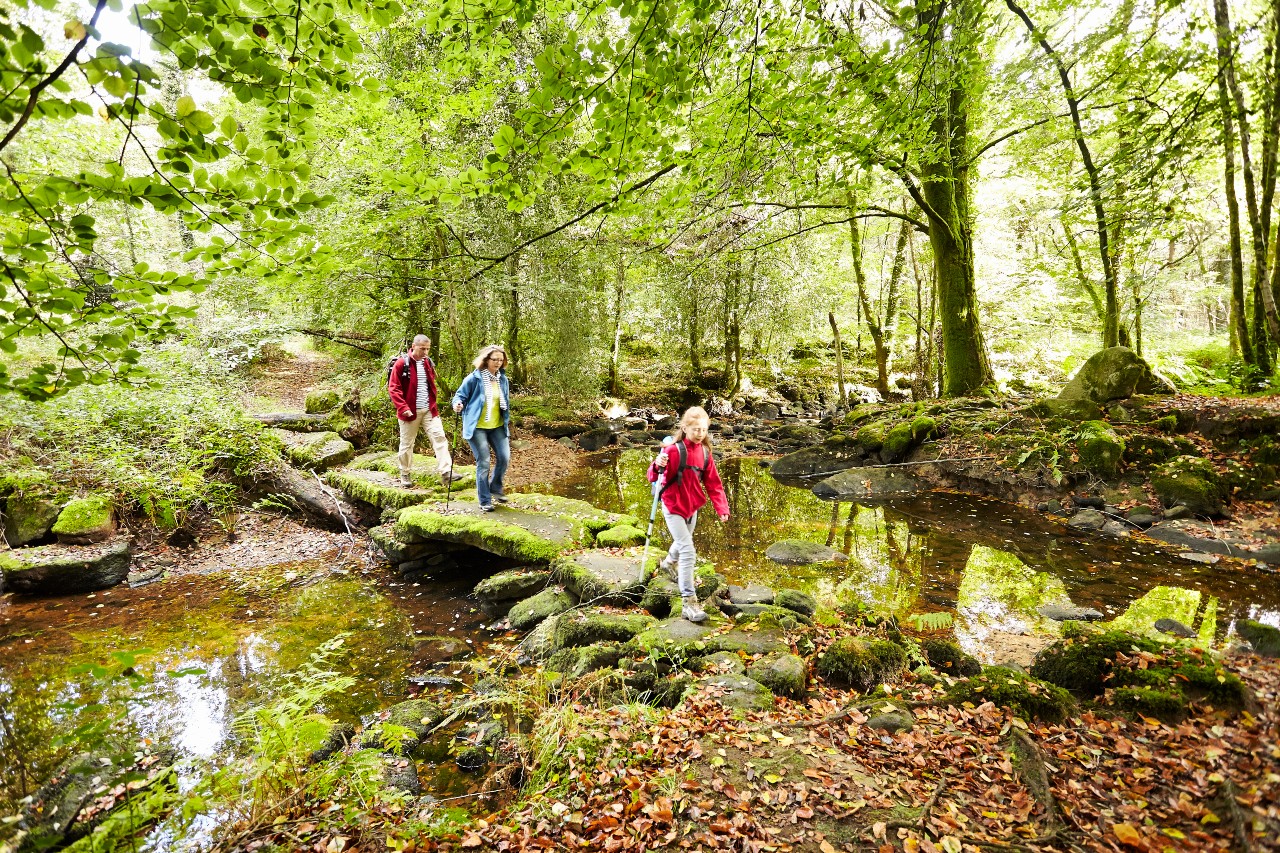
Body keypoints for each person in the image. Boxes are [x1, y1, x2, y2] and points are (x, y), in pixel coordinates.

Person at [647, 406, 729, 622]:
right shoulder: (673, 450)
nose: (700, 433)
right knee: (688, 550)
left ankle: (667, 564)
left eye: (703, 429)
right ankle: (689, 603)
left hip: (692, 506)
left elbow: (714, 484)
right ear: (684, 428)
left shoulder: (705, 453)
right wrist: (657, 464)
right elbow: (652, 475)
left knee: (683, 543)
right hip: (672, 505)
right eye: (695, 429)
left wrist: (722, 508)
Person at [388, 335, 455, 488]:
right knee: (407, 444)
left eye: (427, 349)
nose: (425, 352)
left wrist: (434, 402)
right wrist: (402, 407)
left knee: (439, 437)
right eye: (422, 348)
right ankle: (405, 473)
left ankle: (446, 472)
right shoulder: (401, 364)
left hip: (429, 410)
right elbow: (393, 388)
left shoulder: (428, 363)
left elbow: (431, 385)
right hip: (409, 411)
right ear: (414, 346)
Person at [452, 344, 511, 511]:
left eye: (501, 360)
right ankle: (485, 500)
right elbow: (459, 396)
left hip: (497, 426)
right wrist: (457, 404)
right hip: (477, 427)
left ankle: (495, 487)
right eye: (495, 359)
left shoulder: (502, 379)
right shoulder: (474, 378)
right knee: (484, 462)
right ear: (486, 360)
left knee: (504, 457)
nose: (498, 363)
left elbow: (504, 402)